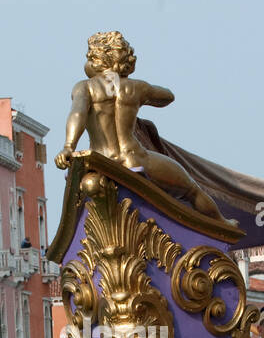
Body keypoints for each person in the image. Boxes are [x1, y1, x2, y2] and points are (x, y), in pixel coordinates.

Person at [55, 31, 232, 222]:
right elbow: (167, 96)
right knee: (191, 189)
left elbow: (77, 113)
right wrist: (142, 92)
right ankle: (222, 223)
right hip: (135, 158)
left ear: (96, 59)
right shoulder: (135, 87)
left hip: (103, 161)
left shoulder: (85, 87)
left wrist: (68, 147)